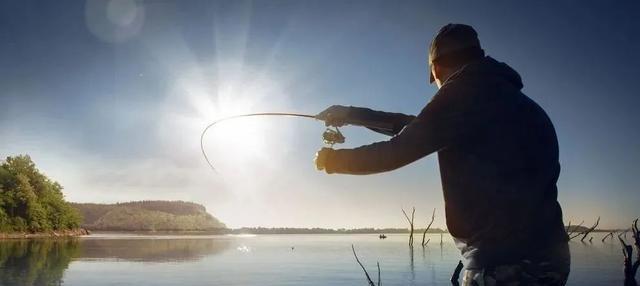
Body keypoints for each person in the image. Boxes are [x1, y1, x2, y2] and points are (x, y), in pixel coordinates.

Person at [314, 24, 570, 286]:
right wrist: (352, 115)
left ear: (436, 69)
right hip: (551, 261)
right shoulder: (522, 106)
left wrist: (332, 160)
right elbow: (424, 128)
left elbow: (399, 150)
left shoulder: (462, 92)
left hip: (502, 265)